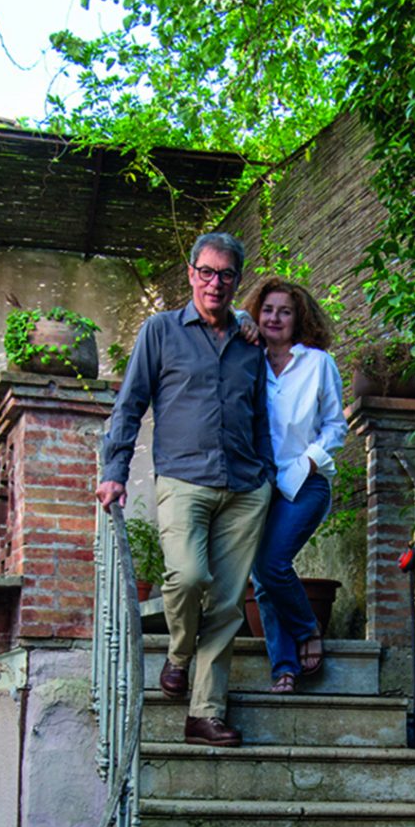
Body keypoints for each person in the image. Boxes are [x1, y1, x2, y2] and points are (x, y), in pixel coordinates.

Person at [95, 232, 273, 747]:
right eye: (206, 272)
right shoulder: (160, 331)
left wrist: (267, 473)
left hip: (245, 486)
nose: (214, 283)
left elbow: (260, 414)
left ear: (238, 280)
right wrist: (115, 470)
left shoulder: (248, 343)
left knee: (227, 605)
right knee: (189, 576)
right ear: (190, 273)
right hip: (184, 478)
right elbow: (130, 404)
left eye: (226, 274)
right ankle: (177, 655)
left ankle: (205, 713)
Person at [241, 277, 348, 694]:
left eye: (284, 311)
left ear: (298, 317)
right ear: (257, 314)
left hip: (307, 482)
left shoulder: (318, 363)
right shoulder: (247, 360)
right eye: (267, 310)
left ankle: (308, 630)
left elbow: (336, 426)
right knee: (263, 574)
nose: (275, 318)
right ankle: (283, 667)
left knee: (270, 564)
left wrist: (309, 459)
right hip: (259, 484)